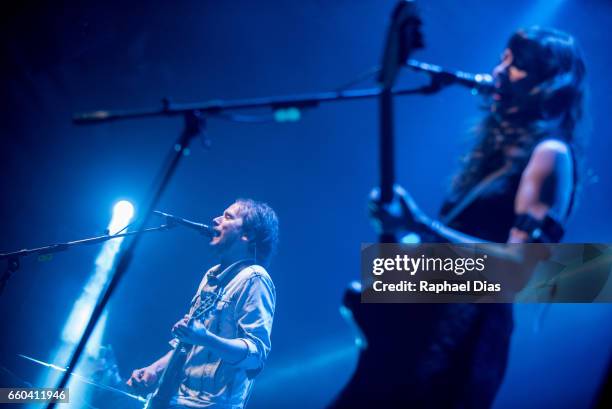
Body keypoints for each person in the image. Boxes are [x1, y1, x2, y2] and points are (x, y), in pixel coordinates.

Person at [332, 26, 587, 408]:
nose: (498, 72)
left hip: (462, 337)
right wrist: (400, 235)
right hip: (421, 322)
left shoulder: (551, 154)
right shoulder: (493, 156)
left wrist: (418, 226)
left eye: (516, 66)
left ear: (548, 85)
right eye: (502, 60)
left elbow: (521, 271)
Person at [127, 199, 279, 409]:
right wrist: (154, 369)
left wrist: (206, 338)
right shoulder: (211, 275)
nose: (215, 220)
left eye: (227, 216)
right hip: (171, 399)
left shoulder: (255, 279)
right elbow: (188, 344)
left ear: (248, 234)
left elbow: (256, 354)